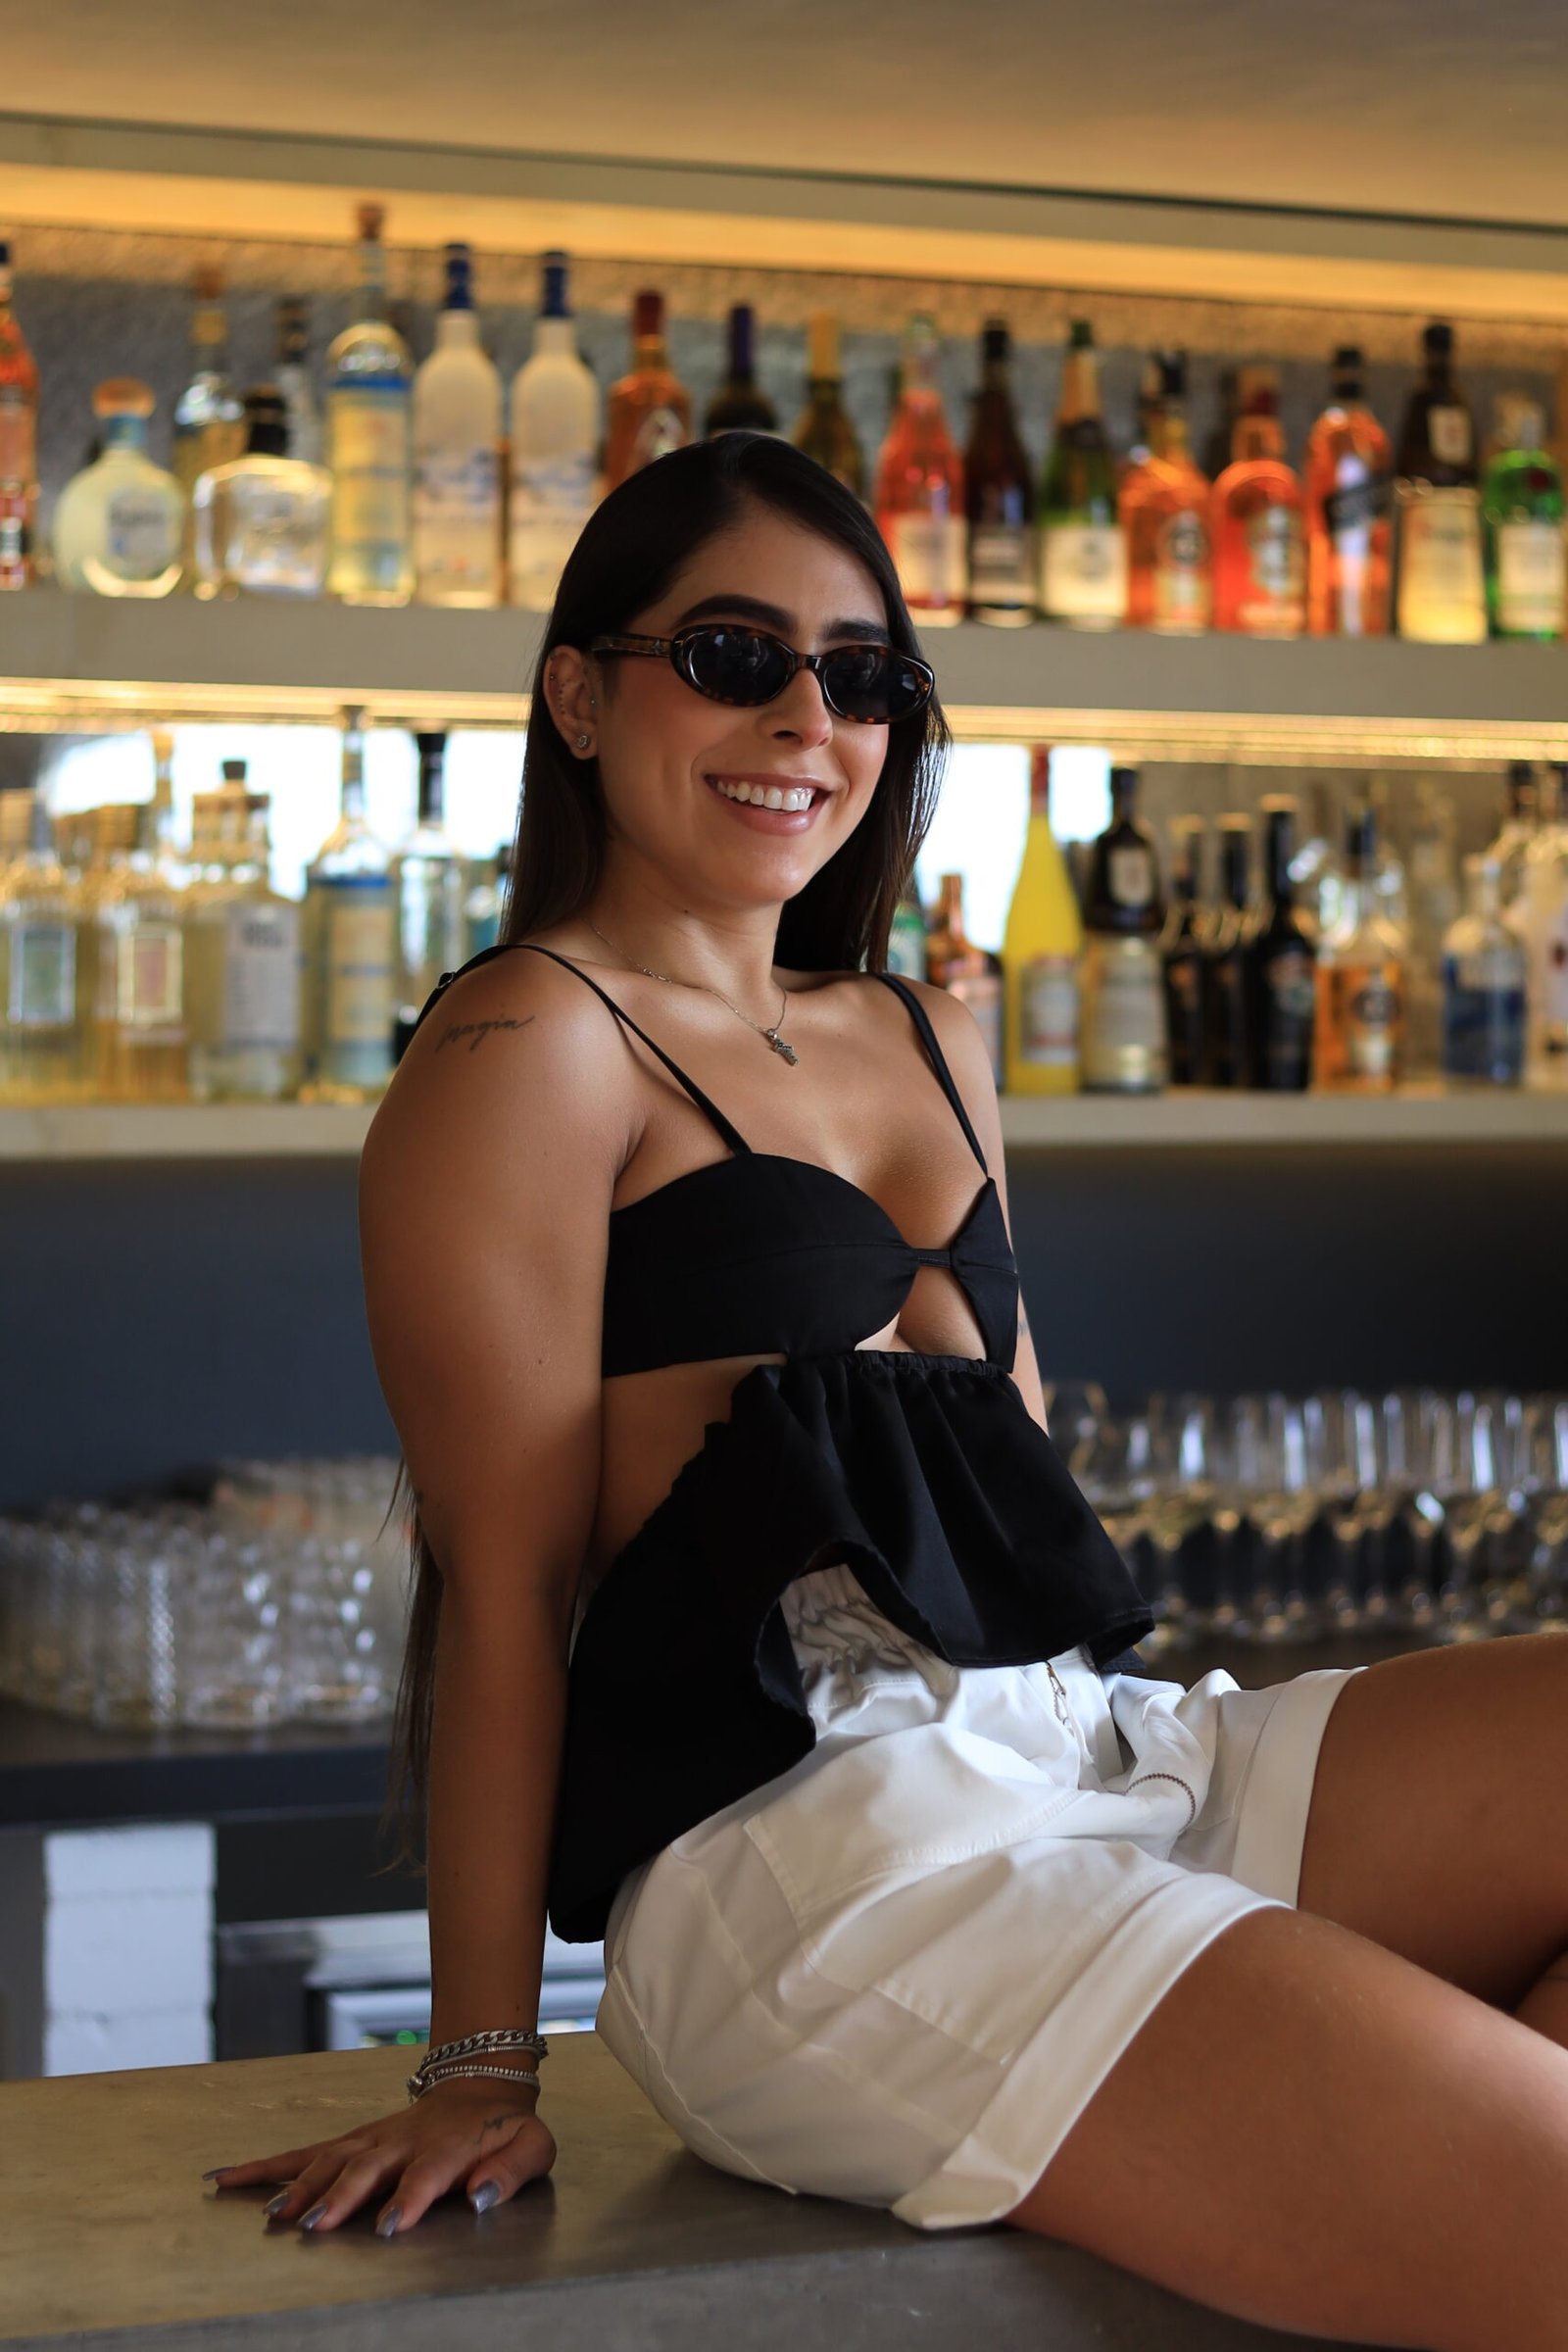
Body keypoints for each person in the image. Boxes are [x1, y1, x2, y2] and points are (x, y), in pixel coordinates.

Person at [207, 434, 1568, 2350]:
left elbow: (1012, 1494)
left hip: (1097, 1758)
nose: (805, 721)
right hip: (827, 1865)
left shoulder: (931, 1030)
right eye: (734, 656)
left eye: (860, 677)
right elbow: (500, 1589)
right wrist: (482, 2068)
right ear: (579, 694)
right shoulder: (527, 1045)